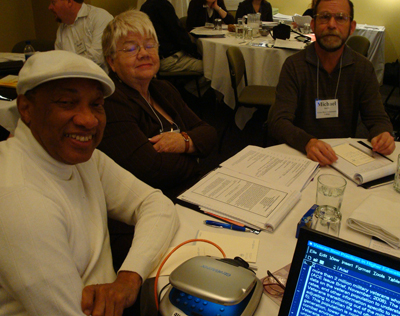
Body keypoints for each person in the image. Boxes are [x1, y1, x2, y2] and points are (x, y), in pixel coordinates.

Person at [0, 50, 179, 316]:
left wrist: (128, 279)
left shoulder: (87, 160)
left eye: (96, 104)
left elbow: (157, 205)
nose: (88, 120)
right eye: (66, 103)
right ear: (26, 108)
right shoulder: (18, 198)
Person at [99, 10, 217, 199]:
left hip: (191, 190)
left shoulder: (162, 88)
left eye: (149, 45)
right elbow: (152, 170)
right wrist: (194, 156)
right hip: (154, 204)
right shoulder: (111, 101)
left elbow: (209, 133)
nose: (144, 53)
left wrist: (183, 142)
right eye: (131, 48)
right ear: (112, 62)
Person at [267, 0, 395, 166]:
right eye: (324, 17)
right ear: (313, 24)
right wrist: (307, 142)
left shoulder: (362, 68)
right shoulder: (294, 66)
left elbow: (378, 118)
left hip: (342, 159)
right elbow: (278, 121)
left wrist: (382, 134)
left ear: (352, 26)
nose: (332, 25)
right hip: (299, 155)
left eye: (341, 18)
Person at [140, 0, 203, 74]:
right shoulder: (163, 5)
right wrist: (195, 52)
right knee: (211, 69)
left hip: (155, 57)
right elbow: (178, 35)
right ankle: (181, 86)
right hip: (169, 59)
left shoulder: (145, 6)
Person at [49, 0, 113, 72]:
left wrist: (69, 67)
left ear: (69, 2)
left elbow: (97, 57)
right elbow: (59, 62)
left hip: (103, 79)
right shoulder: (61, 30)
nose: (50, 7)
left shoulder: (99, 17)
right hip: (74, 79)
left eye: (53, 2)